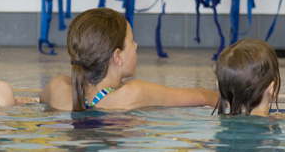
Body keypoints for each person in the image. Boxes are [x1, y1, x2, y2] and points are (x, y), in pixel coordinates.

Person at [39, 7, 219, 111]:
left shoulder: (59, 87)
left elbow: (39, 100)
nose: (136, 45)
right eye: (131, 40)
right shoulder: (135, 92)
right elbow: (203, 97)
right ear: (117, 57)